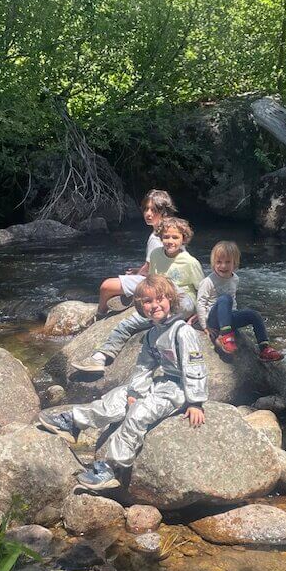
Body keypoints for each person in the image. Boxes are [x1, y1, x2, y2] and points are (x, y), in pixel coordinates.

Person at [39, 275, 208, 490]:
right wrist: (135, 392)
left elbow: (195, 366)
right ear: (140, 306)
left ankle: (113, 467)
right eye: (148, 301)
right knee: (118, 395)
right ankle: (74, 422)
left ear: (171, 300)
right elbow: (144, 366)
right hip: (163, 382)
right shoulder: (152, 334)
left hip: (179, 389)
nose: (155, 305)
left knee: (139, 413)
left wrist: (195, 402)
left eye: (160, 299)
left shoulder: (182, 331)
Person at [72, 217, 204, 373]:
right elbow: (152, 283)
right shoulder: (156, 254)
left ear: (184, 239)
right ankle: (100, 358)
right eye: (166, 237)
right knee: (127, 324)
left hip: (183, 302)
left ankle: (161, 322)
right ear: (160, 237)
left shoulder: (190, 262)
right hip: (159, 305)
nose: (170, 241)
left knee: (168, 284)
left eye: (175, 237)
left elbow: (202, 289)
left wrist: (199, 314)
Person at [197, 240, 284, 361]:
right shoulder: (208, 281)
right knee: (225, 298)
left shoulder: (235, 279)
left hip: (229, 317)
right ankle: (225, 336)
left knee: (254, 315)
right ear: (213, 263)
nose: (223, 266)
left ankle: (264, 348)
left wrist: (235, 317)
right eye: (219, 262)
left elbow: (233, 302)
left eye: (228, 262)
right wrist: (205, 326)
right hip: (214, 320)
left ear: (235, 263)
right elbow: (200, 303)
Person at [96, 189, 177, 317]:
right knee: (130, 276)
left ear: (164, 212)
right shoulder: (175, 232)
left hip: (158, 284)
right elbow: (156, 264)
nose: (148, 214)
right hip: (167, 281)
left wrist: (138, 274)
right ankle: (133, 297)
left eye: (153, 210)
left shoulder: (157, 237)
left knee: (106, 286)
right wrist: (137, 271)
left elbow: (149, 268)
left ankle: (100, 315)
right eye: (146, 209)